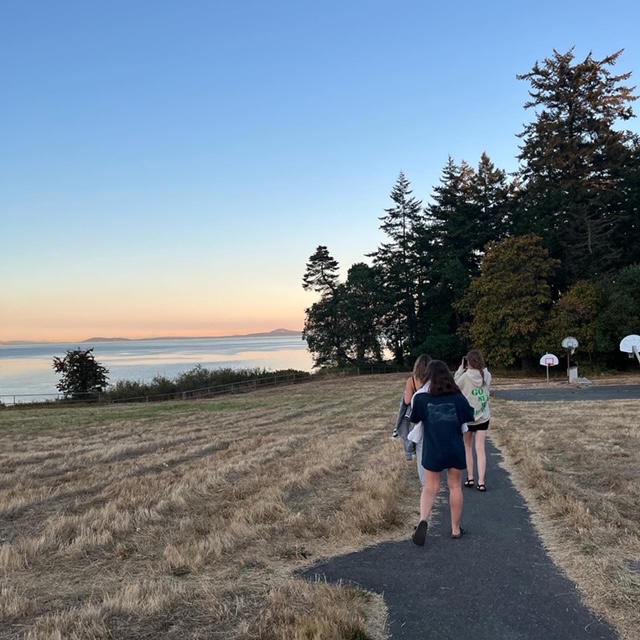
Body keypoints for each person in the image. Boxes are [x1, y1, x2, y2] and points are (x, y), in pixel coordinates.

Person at [410, 360, 474, 545]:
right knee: (455, 486)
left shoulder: (422, 399)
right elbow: (469, 416)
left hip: (433, 448)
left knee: (431, 487)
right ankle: (455, 529)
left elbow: (415, 420)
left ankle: (423, 520)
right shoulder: (457, 397)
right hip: (454, 448)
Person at [454, 350, 492, 492]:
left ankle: (470, 477)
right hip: (483, 416)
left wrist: (459, 371)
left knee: (467, 448)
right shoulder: (486, 375)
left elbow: (454, 386)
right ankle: (481, 482)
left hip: (468, 417)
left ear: (467, 362)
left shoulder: (464, 377)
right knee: (480, 449)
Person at [393, 355, 431, 484]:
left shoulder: (412, 380)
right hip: (432, 415)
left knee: (420, 447)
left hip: (417, 416)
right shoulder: (434, 379)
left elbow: (408, 400)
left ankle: (424, 482)